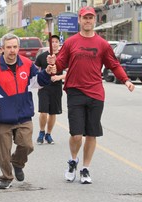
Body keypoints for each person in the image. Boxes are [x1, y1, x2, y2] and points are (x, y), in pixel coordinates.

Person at [47, 6, 135, 184]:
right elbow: (61, 63)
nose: (87, 21)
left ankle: (85, 168)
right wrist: (52, 66)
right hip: (75, 91)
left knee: (92, 134)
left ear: (94, 20)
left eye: (90, 18)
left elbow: (113, 64)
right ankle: (73, 161)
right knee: (76, 135)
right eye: (84, 18)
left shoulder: (102, 44)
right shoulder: (71, 42)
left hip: (95, 92)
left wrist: (125, 80)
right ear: (79, 20)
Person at [0, 33, 54, 189]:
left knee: (27, 146)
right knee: (3, 152)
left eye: (15, 47)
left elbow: (37, 82)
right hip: (3, 117)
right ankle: (6, 177)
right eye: (8, 47)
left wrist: (47, 72)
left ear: (18, 48)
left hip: (23, 115)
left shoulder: (26, 63)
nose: (12, 50)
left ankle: (18, 163)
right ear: (3, 49)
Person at [35, 35, 65, 145]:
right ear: (49, 43)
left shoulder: (62, 57)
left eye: (57, 42)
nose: (55, 44)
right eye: (52, 42)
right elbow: (35, 71)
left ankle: (48, 134)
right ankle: (41, 132)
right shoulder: (42, 56)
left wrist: (59, 77)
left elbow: (71, 71)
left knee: (53, 112)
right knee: (43, 112)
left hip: (56, 88)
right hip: (44, 87)